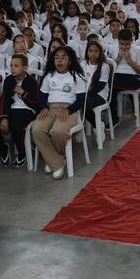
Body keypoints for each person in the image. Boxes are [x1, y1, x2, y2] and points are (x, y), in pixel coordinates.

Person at [33, 46, 86, 180]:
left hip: (70, 109)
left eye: (63, 57)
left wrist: (68, 110)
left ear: (70, 61)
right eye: (56, 58)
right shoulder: (49, 76)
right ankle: (57, 161)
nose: (59, 61)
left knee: (58, 132)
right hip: (51, 108)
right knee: (37, 130)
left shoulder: (76, 77)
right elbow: (43, 95)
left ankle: (52, 161)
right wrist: (44, 108)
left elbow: (81, 100)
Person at [0, 54, 38, 168]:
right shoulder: (9, 79)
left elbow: (35, 103)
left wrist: (23, 93)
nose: (12, 68)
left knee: (16, 127)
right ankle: (3, 149)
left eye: (16, 66)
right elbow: (4, 100)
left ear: (25, 68)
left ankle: (22, 153)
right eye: (11, 65)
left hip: (26, 109)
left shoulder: (31, 81)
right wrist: (4, 117)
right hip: (10, 109)